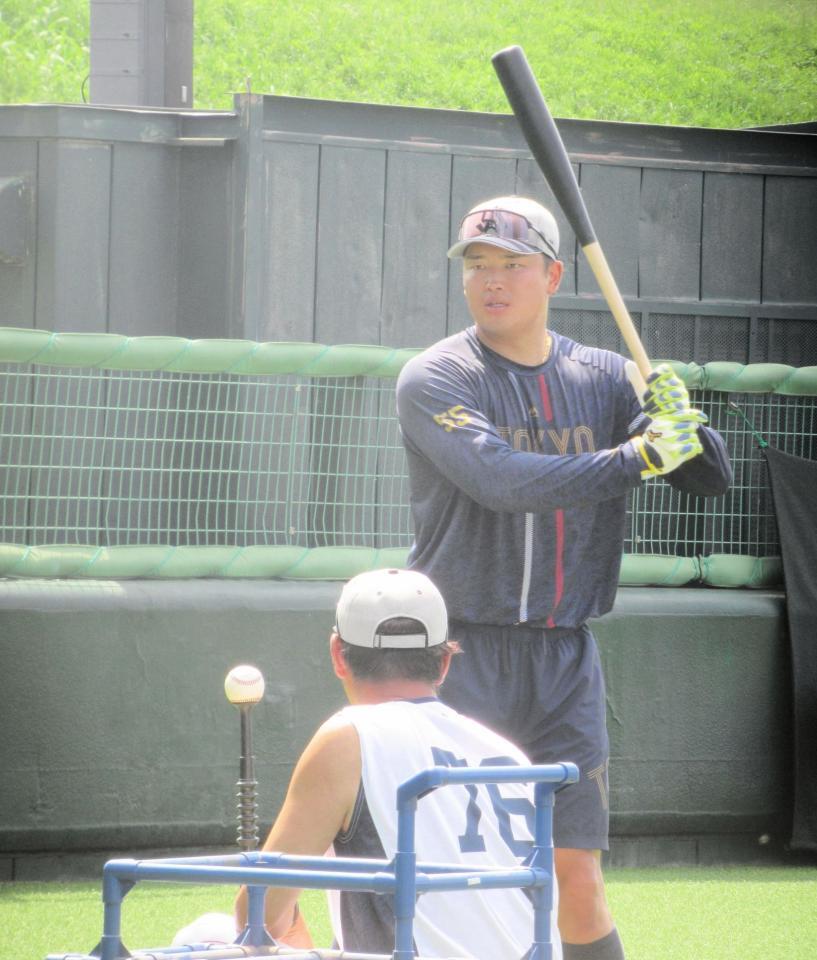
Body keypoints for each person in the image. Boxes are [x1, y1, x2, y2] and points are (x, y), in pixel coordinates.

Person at [395, 196, 733, 960]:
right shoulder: (436, 376)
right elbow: (502, 481)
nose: (491, 280)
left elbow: (709, 479)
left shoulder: (605, 375)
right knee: (453, 875)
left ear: (551, 276)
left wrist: (684, 421)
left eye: (511, 264)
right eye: (477, 264)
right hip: (460, 656)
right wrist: (635, 457)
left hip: (563, 660)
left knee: (575, 873)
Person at [230, 567, 561, 957]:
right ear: (444, 662)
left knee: (204, 934)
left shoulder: (348, 738)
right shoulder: (507, 753)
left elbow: (257, 916)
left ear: (338, 655)